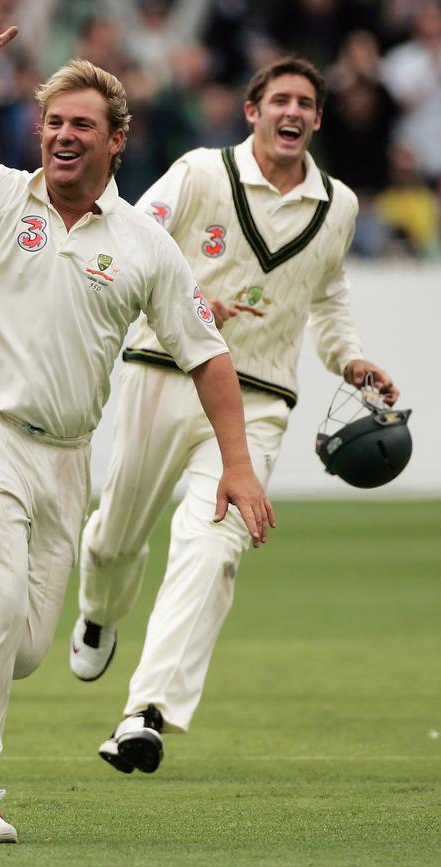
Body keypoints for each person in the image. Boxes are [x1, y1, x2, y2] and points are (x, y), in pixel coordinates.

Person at [0, 16, 274, 846]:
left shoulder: (143, 246)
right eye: (54, 123)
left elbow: (208, 358)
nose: (64, 136)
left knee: (23, 646)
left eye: (82, 126)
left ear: (117, 141)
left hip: (67, 455)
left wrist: (238, 467)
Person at [70, 55, 400, 775]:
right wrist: (184, 300)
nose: (292, 112)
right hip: (166, 371)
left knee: (216, 546)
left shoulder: (336, 205)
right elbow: (128, 235)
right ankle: (98, 612)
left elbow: (328, 297)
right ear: (252, 111)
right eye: (279, 99)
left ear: (317, 118)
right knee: (114, 537)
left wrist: (351, 361)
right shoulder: (198, 173)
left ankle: (144, 710)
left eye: (305, 103)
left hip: (258, 397)